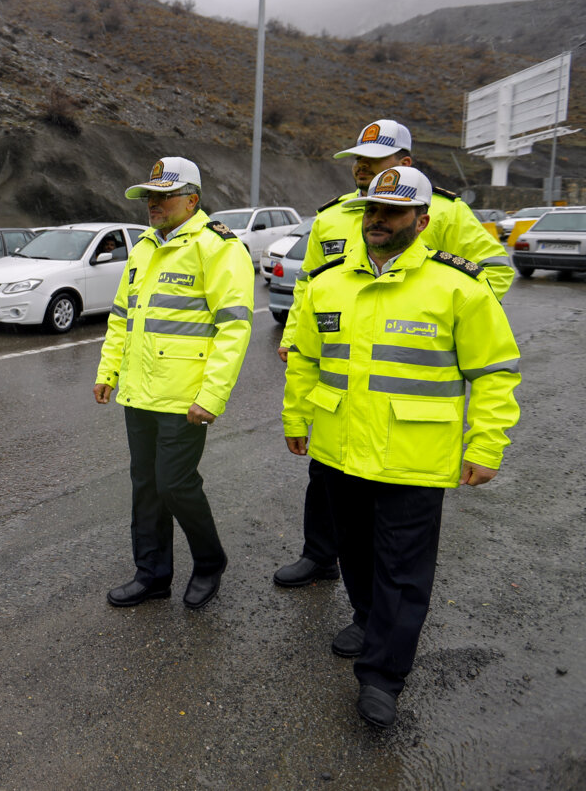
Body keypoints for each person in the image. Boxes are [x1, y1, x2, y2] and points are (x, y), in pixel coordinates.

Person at [282, 166, 520, 727]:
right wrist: (296, 416)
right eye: (371, 210)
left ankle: (383, 675)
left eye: (391, 212)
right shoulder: (327, 283)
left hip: (415, 456)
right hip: (340, 449)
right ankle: (367, 618)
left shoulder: (458, 286)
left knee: (404, 570)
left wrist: (486, 445)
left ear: (423, 219)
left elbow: (494, 372)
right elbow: (307, 361)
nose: (378, 221)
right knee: (356, 553)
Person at [272, 119, 515, 589]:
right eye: (358, 159)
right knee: (326, 473)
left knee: (390, 507)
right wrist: (294, 337)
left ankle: (379, 604)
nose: (361, 167)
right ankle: (320, 554)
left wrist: (455, 324)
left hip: (402, 378)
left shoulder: (442, 211)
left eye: (374, 160)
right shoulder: (334, 215)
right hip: (341, 371)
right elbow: (309, 283)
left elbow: (493, 270)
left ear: (404, 163)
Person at [94, 157, 255, 610]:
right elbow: (122, 317)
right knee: (145, 484)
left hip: (185, 396)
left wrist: (212, 396)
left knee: (175, 484)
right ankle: (152, 574)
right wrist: (108, 371)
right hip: (139, 391)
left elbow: (235, 327)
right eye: (150, 196)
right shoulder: (144, 246)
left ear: (193, 199)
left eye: (164, 195)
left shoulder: (218, 247)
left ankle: (209, 562)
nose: (154, 204)